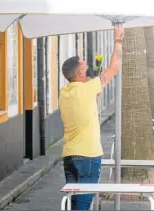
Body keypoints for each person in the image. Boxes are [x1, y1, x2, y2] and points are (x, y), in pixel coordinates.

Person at [59, 25, 124, 210]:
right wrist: (118, 40)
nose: (87, 66)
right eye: (84, 64)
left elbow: (89, 87)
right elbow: (114, 66)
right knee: (83, 205)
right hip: (87, 155)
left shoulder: (64, 92)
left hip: (69, 155)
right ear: (80, 72)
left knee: (73, 203)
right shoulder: (87, 89)